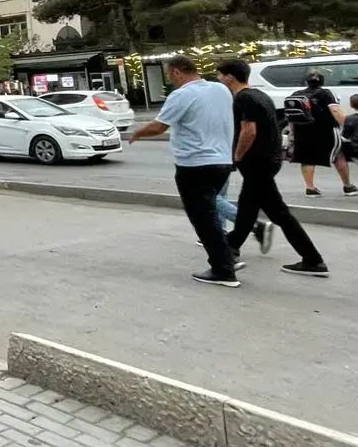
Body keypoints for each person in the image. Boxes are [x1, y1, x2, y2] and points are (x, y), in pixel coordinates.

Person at [127, 55, 238, 287]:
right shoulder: (220, 89)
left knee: (203, 219)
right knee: (210, 213)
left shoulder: (182, 95)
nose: (170, 80)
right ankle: (227, 258)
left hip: (195, 165)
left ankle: (223, 270)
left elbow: (159, 126)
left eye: (170, 75)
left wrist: (137, 133)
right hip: (222, 162)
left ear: (177, 72)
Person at [215, 59, 329, 278]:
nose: (219, 79)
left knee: (279, 213)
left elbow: (249, 130)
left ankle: (313, 260)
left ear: (229, 77)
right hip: (267, 161)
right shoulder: (260, 95)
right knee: (250, 209)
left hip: (256, 163)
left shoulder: (243, 98)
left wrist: (236, 157)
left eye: (220, 75)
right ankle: (231, 248)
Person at [290, 70, 357, 197]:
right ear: (322, 82)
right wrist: (347, 126)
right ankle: (348, 186)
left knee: (307, 158)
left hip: (302, 130)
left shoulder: (296, 94)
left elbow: (292, 116)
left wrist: (292, 133)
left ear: (306, 82)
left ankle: (310, 188)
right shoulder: (326, 93)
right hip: (326, 129)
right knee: (339, 155)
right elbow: (335, 110)